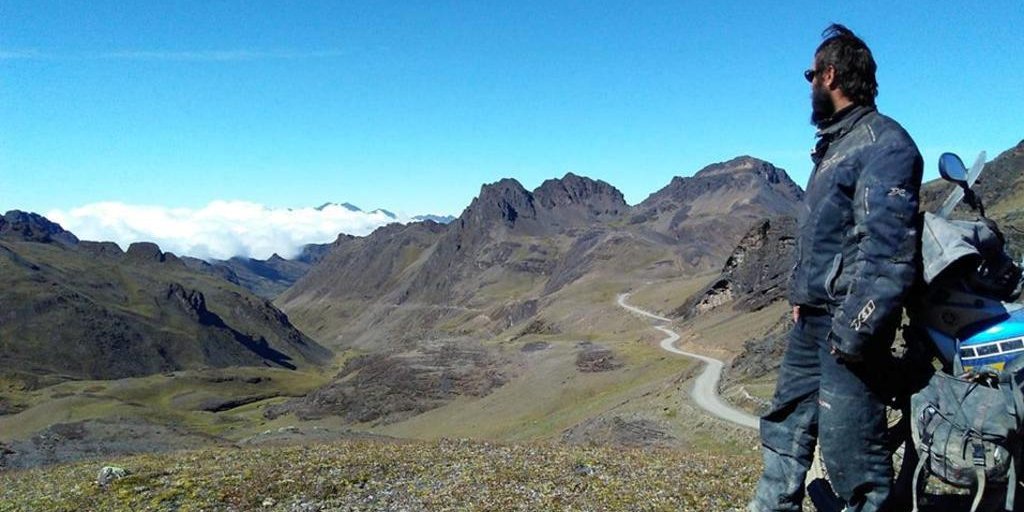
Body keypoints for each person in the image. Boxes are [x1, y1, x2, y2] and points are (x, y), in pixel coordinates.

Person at [747, 24, 923, 512]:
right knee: (785, 429)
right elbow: (829, 241)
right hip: (814, 324)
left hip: (846, 333)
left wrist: (852, 333)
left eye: (810, 74)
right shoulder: (837, 145)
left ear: (829, 75)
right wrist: (804, 303)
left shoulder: (883, 145)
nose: (808, 86)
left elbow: (887, 254)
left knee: (855, 464)